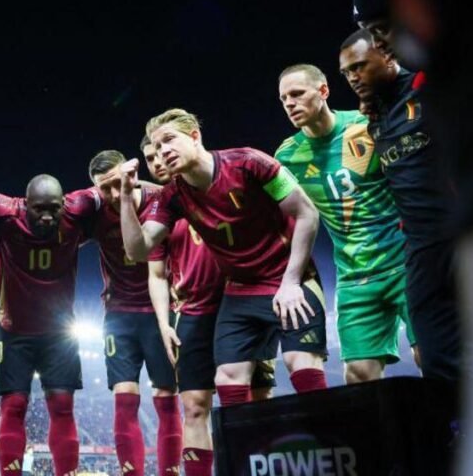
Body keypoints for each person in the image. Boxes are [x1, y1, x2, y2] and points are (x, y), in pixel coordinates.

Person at [120, 108, 326, 408]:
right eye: (157, 146)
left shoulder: (249, 163)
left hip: (289, 278)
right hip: (240, 290)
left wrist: (292, 282)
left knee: (302, 365)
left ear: (194, 136)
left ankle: (331, 448)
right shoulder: (172, 196)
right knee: (227, 378)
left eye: (169, 140)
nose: (163, 151)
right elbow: (138, 250)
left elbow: (307, 213)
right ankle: (245, 453)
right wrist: (126, 197)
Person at [352, 0, 462, 385]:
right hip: (424, 251)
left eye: (381, 29)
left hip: (471, 236)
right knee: (441, 363)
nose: (379, 42)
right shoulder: (384, 106)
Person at [139, 136, 274, 476]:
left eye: (161, 152)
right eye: (149, 157)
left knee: (257, 400)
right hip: (194, 312)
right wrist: (164, 323)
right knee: (195, 406)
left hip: (243, 301)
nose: (157, 161)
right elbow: (156, 273)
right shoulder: (161, 211)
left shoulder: (225, 184)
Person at [275, 62, 416, 382]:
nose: (290, 104)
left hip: (407, 264)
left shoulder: (365, 126)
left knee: (433, 356)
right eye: (284, 99)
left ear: (323, 91)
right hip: (355, 279)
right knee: (359, 377)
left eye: (297, 94)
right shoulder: (287, 157)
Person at [0, 175, 98, 476]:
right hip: (13, 332)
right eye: (38, 209)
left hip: (60, 334)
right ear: (25, 204)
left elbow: (115, 186)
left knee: (62, 407)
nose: (47, 216)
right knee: (13, 407)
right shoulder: (3, 213)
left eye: (54, 208)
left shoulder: (78, 209)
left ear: (65, 203)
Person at [86, 149, 180, 476]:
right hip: (118, 315)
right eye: (104, 188)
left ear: (131, 174)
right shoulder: (95, 211)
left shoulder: (162, 199)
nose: (113, 194)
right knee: (125, 400)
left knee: (167, 397)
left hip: (161, 314)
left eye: (117, 184)